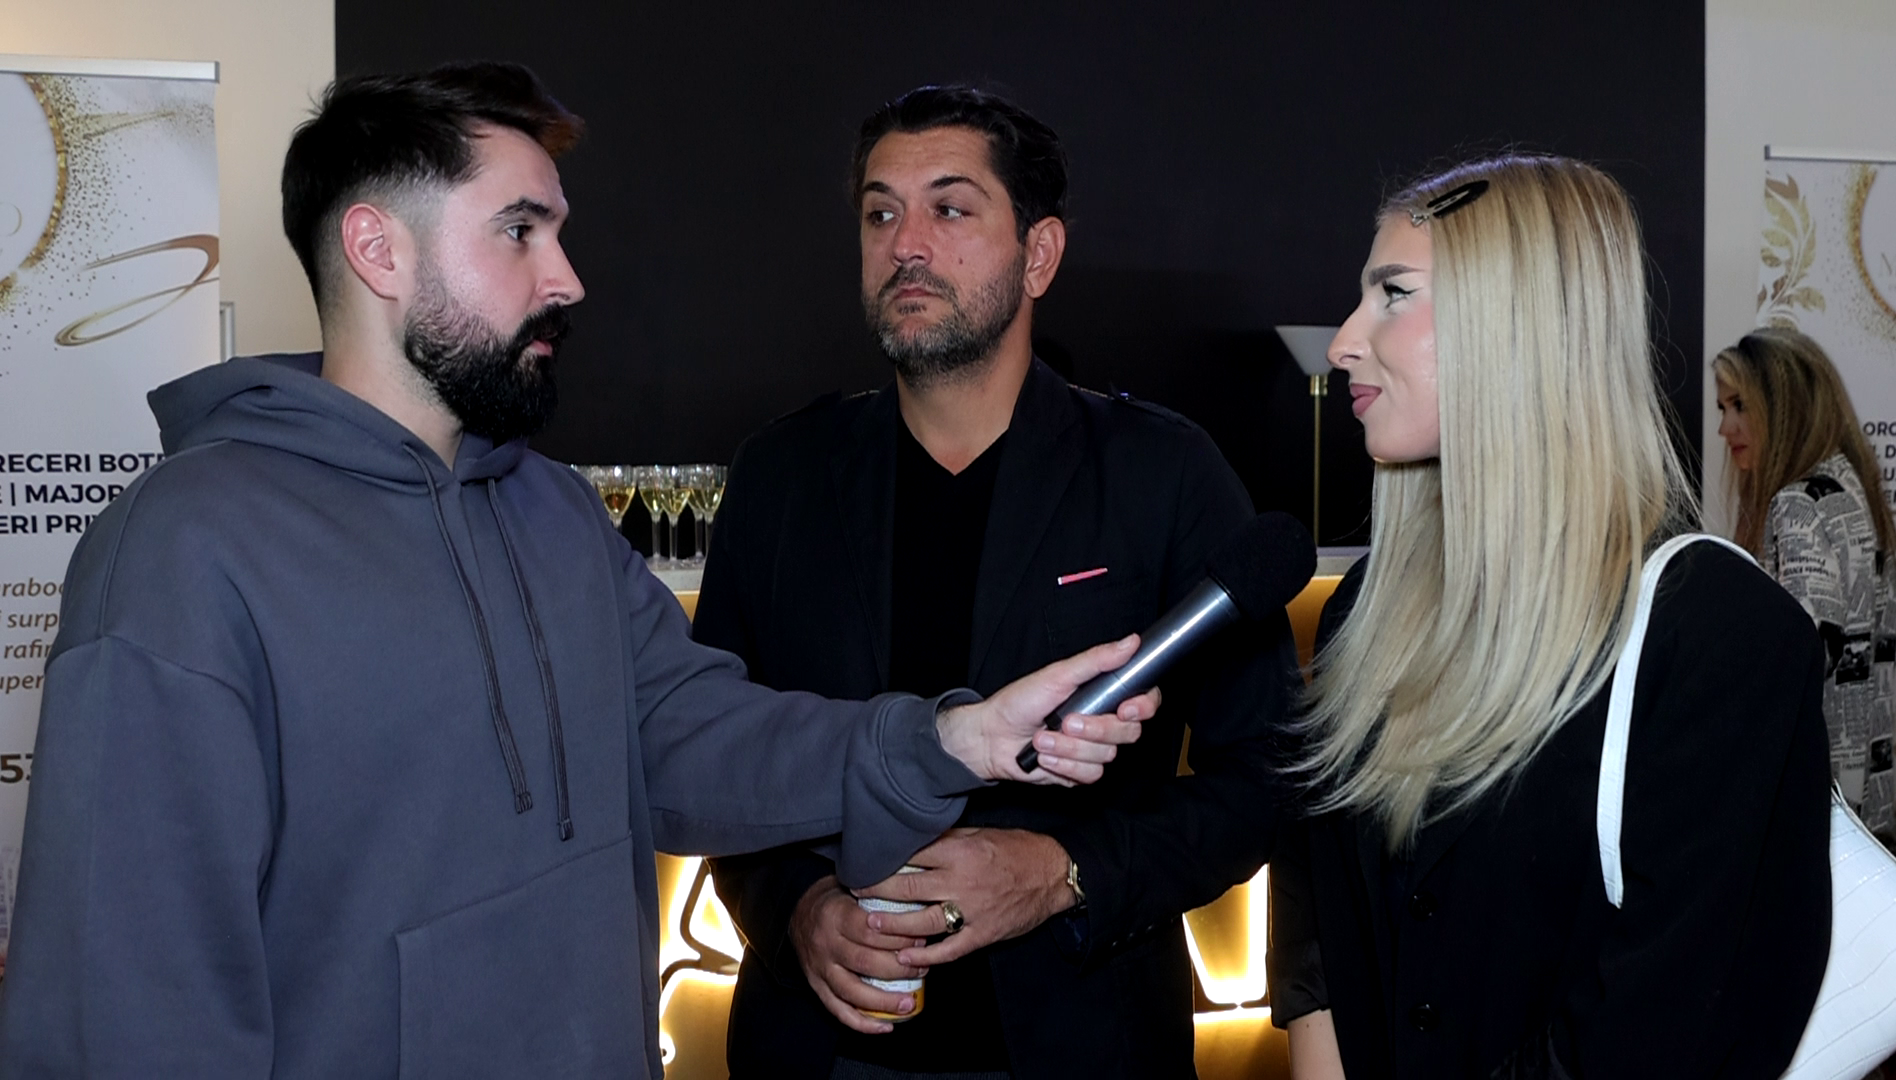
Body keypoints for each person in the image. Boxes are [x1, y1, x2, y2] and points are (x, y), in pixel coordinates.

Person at [0, 64, 1164, 1080]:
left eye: (557, 232)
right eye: (520, 231)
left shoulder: (549, 509)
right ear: (378, 249)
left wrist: (950, 740)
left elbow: (692, 738)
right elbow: (124, 1013)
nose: (567, 278)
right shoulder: (183, 550)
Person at [692, 85, 1297, 1080]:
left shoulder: (1162, 472)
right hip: (817, 1050)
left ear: (1040, 253)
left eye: (950, 208)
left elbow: (1266, 778)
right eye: (880, 213)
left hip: (1085, 1044)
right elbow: (715, 758)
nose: (906, 244)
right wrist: (796, 910)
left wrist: (1063, 873)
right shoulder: (781, 476)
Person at [1268, 154, 1832, 1078]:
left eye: (1393, 295)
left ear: (1516, 321)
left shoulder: (1716, 635)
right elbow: (1321, 923)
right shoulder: (1363, 616)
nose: (1343, 342)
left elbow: (1674, 1019)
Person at [1714, 326, 1896, 839]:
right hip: (1865, 805)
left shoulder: (1799, 504)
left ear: (1786, 403)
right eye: (1722, 408)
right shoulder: (1853, 488)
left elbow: (1795, 667)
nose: (1725, 427)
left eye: (1739, 405)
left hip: (1813, 810)